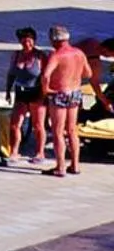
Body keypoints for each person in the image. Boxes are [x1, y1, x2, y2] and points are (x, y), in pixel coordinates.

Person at [44, 25, 90, 175]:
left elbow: (45, 75)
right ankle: (75, 165)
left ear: (53, 40)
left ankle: (61, 167)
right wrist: (73, 75)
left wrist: (46, 89)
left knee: (58, 131)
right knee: (72, 130)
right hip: (75, 92)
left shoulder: (56, 55)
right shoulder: (79, 53)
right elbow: (88, 73)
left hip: (60, 92)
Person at [6, 27, 48, 164]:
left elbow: (46, 76)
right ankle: (14, 152)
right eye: (24, 41)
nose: (27, 44)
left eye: (29, 41)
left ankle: (40, 153)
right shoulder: (16, 55)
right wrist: (8, 91)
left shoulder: (40, 56)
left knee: (38, 125)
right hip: (20, 92)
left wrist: (45, 94)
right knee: (14, 125)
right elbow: (11, 74)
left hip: (36, 93)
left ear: (34, 41)